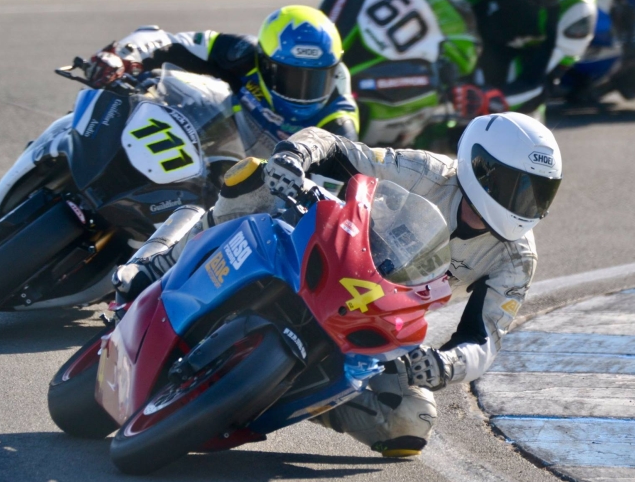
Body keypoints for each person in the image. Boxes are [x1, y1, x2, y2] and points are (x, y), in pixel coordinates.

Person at [113, 111, 562, 457]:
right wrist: (295, 155)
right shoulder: (427, 172)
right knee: (254, 173)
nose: (526, 205)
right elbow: (336, 146)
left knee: (409, 423)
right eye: (516, 187)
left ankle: (263, 398)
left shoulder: (515, 257)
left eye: (539, 194)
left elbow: (484, 339)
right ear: (481, 167)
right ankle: (161, 262)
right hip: (328, 257)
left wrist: (444, 366)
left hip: (374, 322)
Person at [333, 0, 597, 120]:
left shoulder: (579, 13)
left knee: (514, 138)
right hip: (474, 19)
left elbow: (542, 84)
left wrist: (491, 99)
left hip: (513, 71)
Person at [85, 5, 360, 154]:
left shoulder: (339, 120)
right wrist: (122, 56)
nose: (302, 92)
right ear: (264, 63)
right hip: (207, 138)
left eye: (316, 79)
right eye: (291, 77)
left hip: (254, 191)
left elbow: (340, 193)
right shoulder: (241, 51)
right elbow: (164, 39)